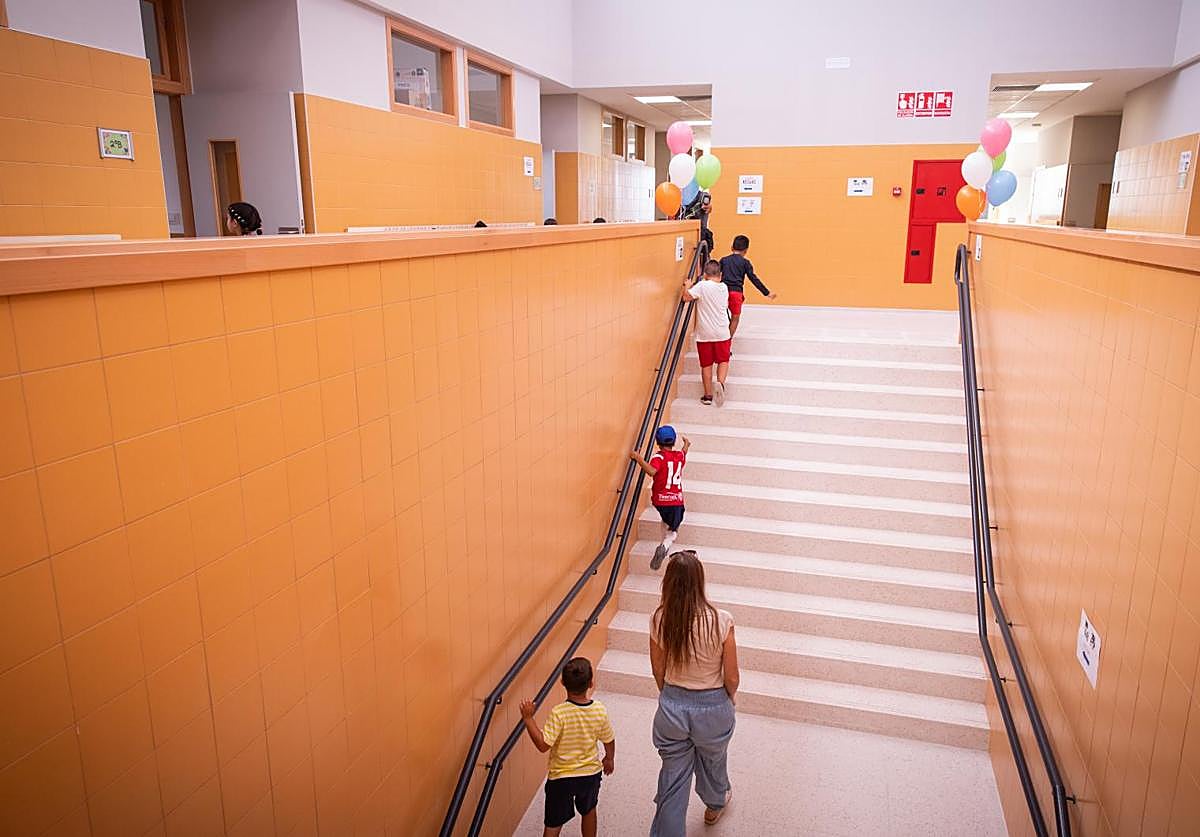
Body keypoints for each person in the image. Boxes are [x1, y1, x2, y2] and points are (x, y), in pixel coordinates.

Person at [649, 550, 739, 834]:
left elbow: (658, 669)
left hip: (672, 706)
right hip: (713, 707)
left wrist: (670, 696)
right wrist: (728, 699)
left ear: (668, 582)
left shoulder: (660, 619)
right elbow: (732, 676)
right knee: (713, 760)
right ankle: (714, 804)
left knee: (673, 779)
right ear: (700, 580)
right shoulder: (721, 620)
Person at [520, 658, 616, 837]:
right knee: (589, 810)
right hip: (590, 774)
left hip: (561, 778)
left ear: (562, 682)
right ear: (591, 683)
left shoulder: (559, 713)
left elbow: (543, 745)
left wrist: (528, 719)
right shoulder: (599, 710)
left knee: (554, 821)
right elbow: (609, 739)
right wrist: (609, 758)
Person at [630, 425, 690, 570]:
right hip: (676, 502)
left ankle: (663, 545)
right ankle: (665, 545)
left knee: (667, 521)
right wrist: (686, 444)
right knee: (673, 531)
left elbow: (651, 471)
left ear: (657, 442)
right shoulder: (679, 457)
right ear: (674, 442)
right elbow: (684, 452)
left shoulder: (659, 457)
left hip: (660, 501)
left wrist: (638, 458)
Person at [684, 260, 731, 407]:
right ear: (720, 275)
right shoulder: (724, 287)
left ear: (705, 274)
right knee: (723, 360)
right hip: (722, 331)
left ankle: (708, 396)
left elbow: (686, 297)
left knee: (706, 364)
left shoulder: (702, 286)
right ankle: (720, 384)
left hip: (705, 333)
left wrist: (688, 286)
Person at [720, 235, 776, 340]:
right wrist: (767, 292)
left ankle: (719, 338)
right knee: (735, 318)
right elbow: (754, 279)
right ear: (746, 250)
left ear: (732, 247)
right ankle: (727, 341)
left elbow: (715, 273)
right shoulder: (745, 263)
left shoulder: (724, 260)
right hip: (736, 293)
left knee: (721, 316)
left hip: (722, 291)